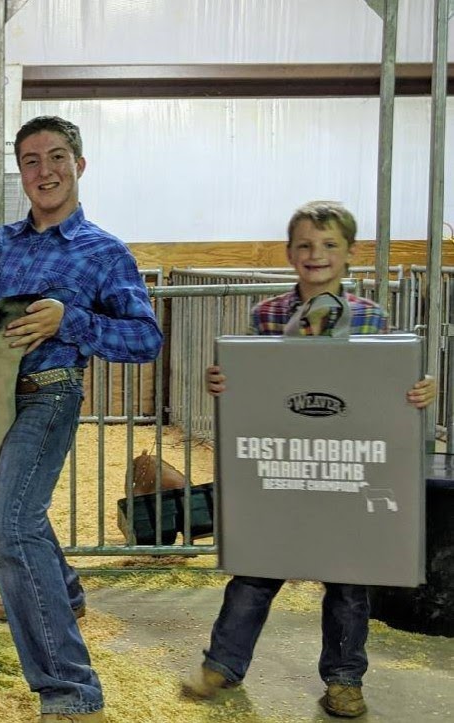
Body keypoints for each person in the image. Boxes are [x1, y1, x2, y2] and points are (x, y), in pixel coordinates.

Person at [0, 116, 163, 723]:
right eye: (32, 161)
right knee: (13, 514)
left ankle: (70, 690)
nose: (45, 170)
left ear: (79, 165)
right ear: (20, 173)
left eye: (57, 157)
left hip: (48, 393)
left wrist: (71, 321)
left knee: (10, 524)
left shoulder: (104, 252)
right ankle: (62, 591)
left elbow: (146, 339)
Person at [183, 200, 436, 718]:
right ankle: (222, 665)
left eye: (328, 245)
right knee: (256, 571)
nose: (315, 254)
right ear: (289, 253)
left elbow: (386, 384)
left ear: (350, 253)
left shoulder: (371, 318)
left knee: (348, 581)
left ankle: (344, 679)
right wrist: (224, 380)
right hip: (285, 468)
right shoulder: (267, 316)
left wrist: (417, 390)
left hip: (344, 468)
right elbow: (252, 383)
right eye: (304, 245)